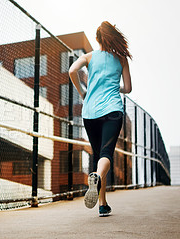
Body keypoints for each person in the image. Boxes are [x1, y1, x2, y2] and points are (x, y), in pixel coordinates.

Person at [69, 21, 132, 217]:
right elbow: (128, 88)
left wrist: (83, 92)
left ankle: (102, 204)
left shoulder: (88, 57)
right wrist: (115, 87)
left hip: (90, 112)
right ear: (113, 38)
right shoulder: (121, 59)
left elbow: (72, 71)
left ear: (97, 39)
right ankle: (96, 178)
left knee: (98, 156)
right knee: (106, 154)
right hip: (112, 110)